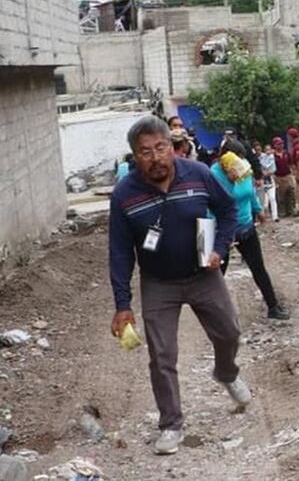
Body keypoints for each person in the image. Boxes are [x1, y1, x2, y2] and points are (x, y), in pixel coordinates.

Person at [108, 116, 250, 455]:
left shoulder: (197, 173)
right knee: (162, 355)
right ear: (134, 156)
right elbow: (118, 252)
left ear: (172, 147)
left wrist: (219, 249)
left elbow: (227, 210)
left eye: (161, 148)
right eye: (146, 152)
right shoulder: (124, 195)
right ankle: (171, 424)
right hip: (158, 283)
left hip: (203, 274)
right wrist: (122, 304)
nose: (156, 157)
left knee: (229, 332)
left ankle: (226, 372)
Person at [210, 152, 290, 321]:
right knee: (217, 275)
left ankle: (273, 307)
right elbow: (212, 205)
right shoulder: (213, 175)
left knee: (258, 268)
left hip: (246, 227)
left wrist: (258, 209)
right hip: (224, 231)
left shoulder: (243, 167)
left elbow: (250, 192)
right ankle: (214, 315)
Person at [254, 142, 279, 222]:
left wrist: (267, 173)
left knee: (272, 198)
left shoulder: (267, 157)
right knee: (263, 202)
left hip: (269, 180)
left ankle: (275, 216)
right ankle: (263, 217)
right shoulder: (253, 159)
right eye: (256, 150)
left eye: (259, 149)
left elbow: (273, 168)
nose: (258, 151)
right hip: (260, 182)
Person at [271, 137, 295, 218]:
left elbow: (290, 163)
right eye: (279, 144)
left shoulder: (286, 153)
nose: (281, 145)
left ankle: (291, 210)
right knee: (280, 195)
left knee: (291, 192)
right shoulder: (273, 156)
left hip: (287, 175)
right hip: (278, 176)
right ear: (275, 145)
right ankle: (282, 212)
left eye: (281, 144)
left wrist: (293, 173)